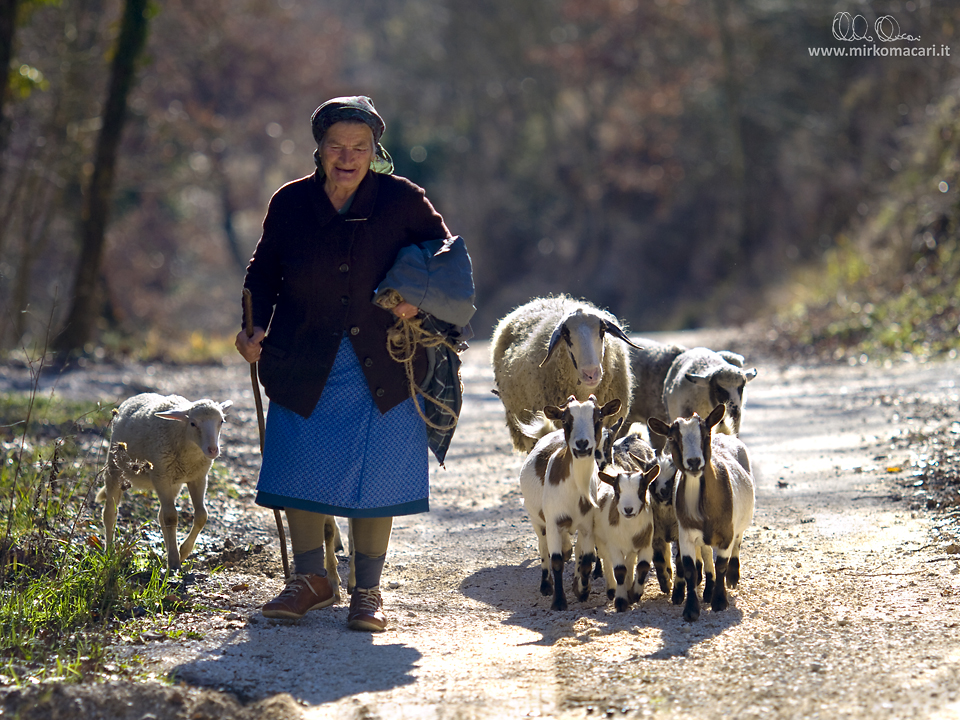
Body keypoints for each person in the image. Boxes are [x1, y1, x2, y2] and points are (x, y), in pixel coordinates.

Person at [235, 96, 468, 631]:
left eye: (359, 148)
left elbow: (447, 257)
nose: (348, 157)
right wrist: (254, 326)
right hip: (302, 355)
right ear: (318, 148)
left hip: (383, 362)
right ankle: (311, 579)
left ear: (373, 150)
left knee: (377, 474)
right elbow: (264, 270)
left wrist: (420, 297)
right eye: (337, 146)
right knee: (299, 465)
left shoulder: (402, 200)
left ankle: (368, 592)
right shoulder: (290, 203)